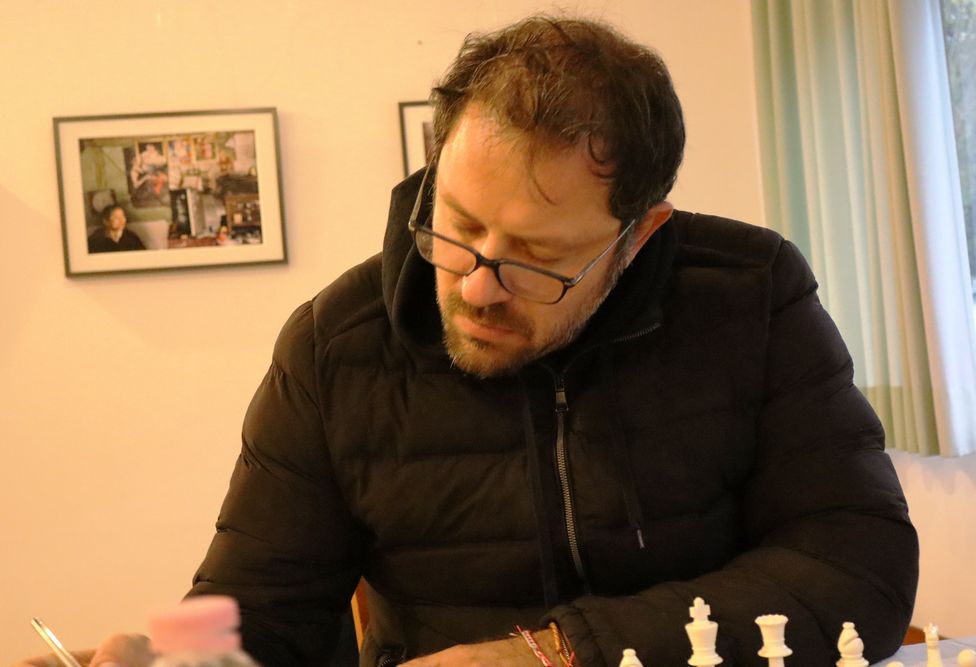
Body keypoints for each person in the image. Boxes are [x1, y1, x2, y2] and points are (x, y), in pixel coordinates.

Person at [24, 15, 918, 667]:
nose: (477, 285)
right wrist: (169, 649)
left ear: (638, 236)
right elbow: (258, 610)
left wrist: (558, 653)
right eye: (456, 225)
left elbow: (858, 565)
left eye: (537, 257)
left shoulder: (751, 295)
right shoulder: (334, 347)